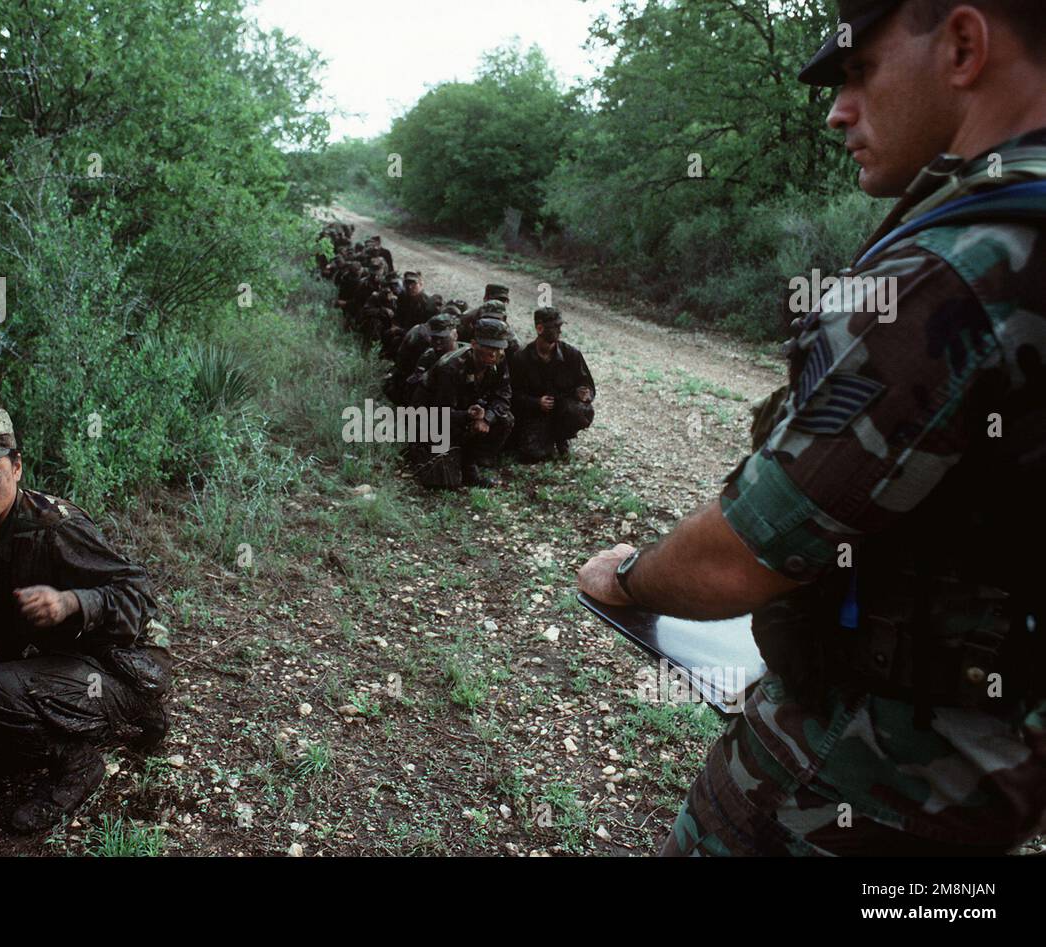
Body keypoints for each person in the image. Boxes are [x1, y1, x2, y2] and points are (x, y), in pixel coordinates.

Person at [578, 0, 1046, 856]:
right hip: (998, 766)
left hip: (861, 772)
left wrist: (630, 577)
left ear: (965, 45)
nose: (837, 109)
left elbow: (744, 554)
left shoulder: (961, 264)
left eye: (860, 71)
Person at [0, 408, 170, 834]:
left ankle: (82, 764)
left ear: (17, 467)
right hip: (66, 653)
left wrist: (72, 602)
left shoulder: (55, 527)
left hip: (128, 663)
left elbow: (138, 597)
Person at [410, 318, 514, 488]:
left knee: (504, 419)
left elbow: (504, 394)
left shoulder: (499, 361)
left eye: (498, 348)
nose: (493, 354)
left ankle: (469, 460)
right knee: (445, 482)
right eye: (488, 347)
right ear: (474, 344)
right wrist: (467, 416)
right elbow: (439, 412)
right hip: (430, 418)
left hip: (463, 413)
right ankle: (422, 449)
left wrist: (486, 418)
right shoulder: (451, 367)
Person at [509, 308, 596, 461]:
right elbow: (512, 394)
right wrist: (536, 403)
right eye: (555, 327)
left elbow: (586, 383)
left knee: (582, 410)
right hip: (534, 413)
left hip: (563, 409)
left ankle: (562, 437)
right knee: (532, 455)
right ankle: (546, 439)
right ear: (540, 329)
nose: (559, 331)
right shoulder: (521, 358)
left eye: (560, 327)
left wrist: (585, 393)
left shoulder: (571, 354)